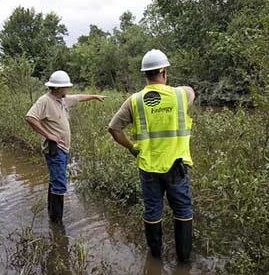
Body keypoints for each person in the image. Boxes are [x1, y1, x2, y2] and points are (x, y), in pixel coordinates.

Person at [108, 49, 195, 262]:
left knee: (153, 210)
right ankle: (183, 261)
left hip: (148, 167)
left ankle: (155, 258)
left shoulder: (134, 101)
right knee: (182, 209)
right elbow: (191, 91)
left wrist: (131, 147)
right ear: (164, 71)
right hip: (176, 166)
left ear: (144, 74)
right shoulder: (181, 94)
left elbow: (113, 128)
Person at [25, 70, 105, 224]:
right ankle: (57, 223)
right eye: (66, 87)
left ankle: (51, 215)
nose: (68, 90)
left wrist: (95, 97)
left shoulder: (62, 100)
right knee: (60, 184)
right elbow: (30, 117)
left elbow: (79, 97)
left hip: (62, 150)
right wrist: (49, 135)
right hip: (55, 151)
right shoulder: (45, 101)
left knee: (55, 180)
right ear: (58, 88)